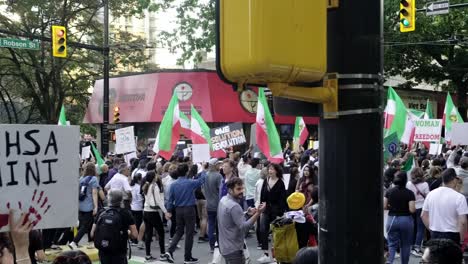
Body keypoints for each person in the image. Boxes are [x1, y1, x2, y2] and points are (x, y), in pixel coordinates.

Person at [162, 163, 207, 264]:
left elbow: (170, 200)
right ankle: (187, 257)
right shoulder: (190, 182)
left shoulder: (173, 184)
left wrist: (169, 211)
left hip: (178, 210)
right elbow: (202, 180)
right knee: (189, 233)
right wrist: (203, 169)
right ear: (187, 172)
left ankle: (170, 250)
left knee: (179, 231)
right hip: (189, 209)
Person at [217, 177, 266, 264]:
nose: (241, 191)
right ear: (230, 190)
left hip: (225, 247)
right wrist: (258, 213)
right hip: (234, 249)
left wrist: (246, 214)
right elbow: (244, 227)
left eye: (242, 188)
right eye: (238, 189)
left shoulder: (223, 200)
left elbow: (230, 218)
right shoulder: (234, 206)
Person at [421, 168, 468, 244]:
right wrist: (462, 239)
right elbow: (463, 221)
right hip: (453, 235)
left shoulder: (431, 194)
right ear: (454, 180)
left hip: (435, 233)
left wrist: (431, 229)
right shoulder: (459, 197)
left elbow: (423, 215)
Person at [91, 189, 138, 264]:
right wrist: (127, 233)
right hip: (119, 252)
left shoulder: (102, 212)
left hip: (103, 252)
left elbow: (92, 233)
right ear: (121, 200)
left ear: (109, 199)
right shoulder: (125, 213)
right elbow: (135, 235)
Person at [258, 163, 287, 263]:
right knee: (263, 230)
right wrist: (261, 207)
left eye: (272, 169)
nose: (270, 171)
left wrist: (280, 212)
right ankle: (265, 254)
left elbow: (282, 200)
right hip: (266, 210)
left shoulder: (280, 183)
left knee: (276, 233)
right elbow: (262, 195)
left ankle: (276, 257)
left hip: (276, 211)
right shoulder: (266, 181)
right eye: (269, 169)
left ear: (277, 171)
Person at [384, 171, 415, 264]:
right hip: (406, 220)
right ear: (406, 180)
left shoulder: (389, 191)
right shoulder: (409, 193)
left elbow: (384, 206)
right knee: (405, 245)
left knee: (392, 244)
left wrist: (392, 207)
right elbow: (412, 209)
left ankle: (389, 262)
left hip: (392, 219)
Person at [142, 171, 171, 261]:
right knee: (161, 232)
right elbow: (159, 201)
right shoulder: (155, 186)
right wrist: (165, 212)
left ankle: (148, 255)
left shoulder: (146, 185)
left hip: (146, 211)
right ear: (154, 177)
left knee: (148, 233)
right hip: (153, 212)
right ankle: (162, 254)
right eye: (155, 175)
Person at [70, 162, 99, 249]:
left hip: (81, 205)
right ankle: (74, 242)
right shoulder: (94, 179)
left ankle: (91, 241)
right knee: (85, 226)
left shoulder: (81, 178)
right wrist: (96, 206)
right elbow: (94, 193)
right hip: (89, 206)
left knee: (88, 224)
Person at [405, 167, 430, 256]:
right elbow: (428, 197)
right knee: (420, 228)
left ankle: (411, 245)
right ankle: (417, 247)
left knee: (412, 227)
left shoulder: (408, 184)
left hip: (411, 207)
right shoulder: (425, 184)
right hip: (421, 208)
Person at [203, 158, 224, 252]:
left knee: (211, 224)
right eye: (218, 164)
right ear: (215, 165)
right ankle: (219, 244)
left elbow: (202, 189)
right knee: (219, 225)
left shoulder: (205, 175)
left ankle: (212, 245)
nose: (220, 166)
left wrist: (207, 197)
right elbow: (222, 190)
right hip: (217, 204)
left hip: (209, 203)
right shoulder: (218, 176)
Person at [129, 173, 144, 247]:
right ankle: (136, 240)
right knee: (138, 224)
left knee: (133, 224)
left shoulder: (132, 186)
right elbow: (139, 198)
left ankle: (132, 239)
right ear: (139, 179)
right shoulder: (138, 187)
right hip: (138, 207)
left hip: (132, 206)